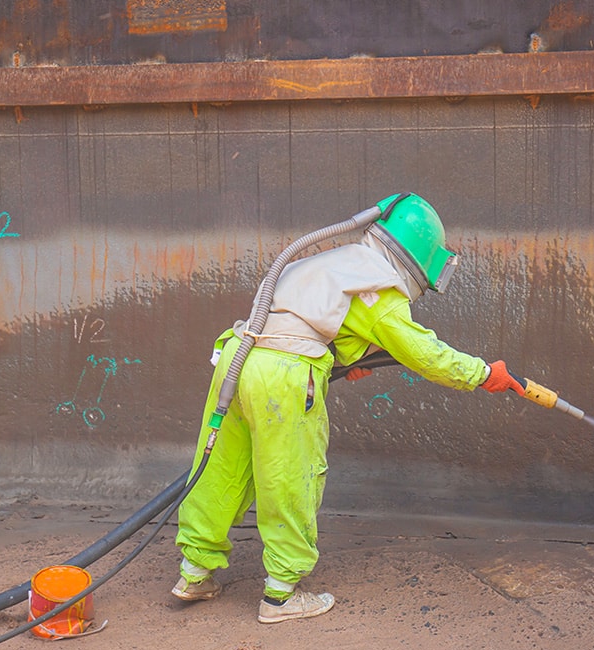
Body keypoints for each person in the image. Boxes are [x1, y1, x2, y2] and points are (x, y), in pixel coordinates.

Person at [172, 192, 526, 623]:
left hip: (239, 357)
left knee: (223, 468)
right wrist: (482, 374)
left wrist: (345, 358)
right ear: (420, 257)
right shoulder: (379, 287)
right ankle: (281, 595)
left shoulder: (335, 261)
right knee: (290, 475)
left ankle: (194, 572)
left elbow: (304, 319)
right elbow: (426, 354)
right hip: (284, 375)